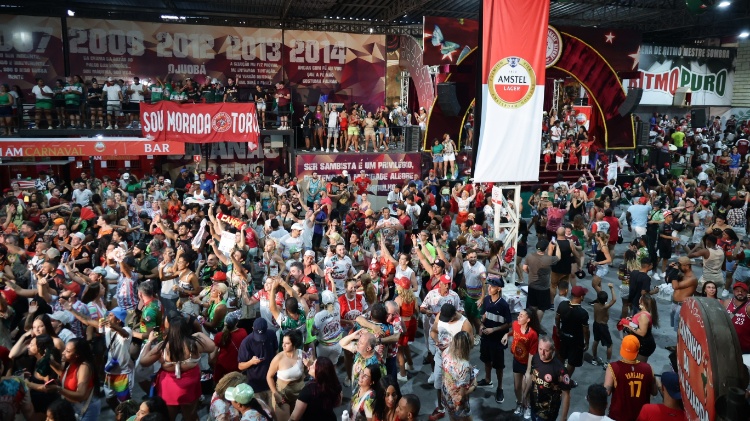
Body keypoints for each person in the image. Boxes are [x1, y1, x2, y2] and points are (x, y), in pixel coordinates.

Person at [139, 314, 216, 421]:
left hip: (170, 388)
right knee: (191, 416)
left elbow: (143, 361)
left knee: (169, 417)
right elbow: (212, 347)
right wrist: (198, 333)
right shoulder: (195, 343)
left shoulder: (162, 347)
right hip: (190, 386)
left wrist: (149, 342)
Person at [428, 303, 473, 421]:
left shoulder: (465, 324)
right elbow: (433, 331)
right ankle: (441, 407)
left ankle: (457, 410)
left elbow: (470, 344)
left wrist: (454, 347)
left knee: (460, 400)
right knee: (440, 384)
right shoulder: (441, 315)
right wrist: (437, 341)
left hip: (457, 364)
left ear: (453, 316)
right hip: (442, 358)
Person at [44, 338, 100, 421]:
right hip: (74, 406)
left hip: (86, 409)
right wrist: (50, 362)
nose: (63, 353)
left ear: (77, 355)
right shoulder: (71, 363)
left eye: (68, 351)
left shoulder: (84, 367)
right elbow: (64, 375)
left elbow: (80, 395)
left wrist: (58, 388)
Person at [603, 335, 656, 421]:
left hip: (619, 416)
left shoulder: (613, 367)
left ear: (621, 348)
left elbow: (606, 392)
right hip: (640, 416)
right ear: (638, 351)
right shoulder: (648, 368)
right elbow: (654, 392)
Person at [501, 308, 541, 418]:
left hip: (527, 364)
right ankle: (519, 404)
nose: (518, 317)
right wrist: (507, 335)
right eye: (519, 315)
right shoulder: (515, 324)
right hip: (516, 360)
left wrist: (528, 371)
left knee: (526, 389)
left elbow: (532, 354)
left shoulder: (533, 335)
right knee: (517, 387)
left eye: (521, 316)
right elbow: (513, 331)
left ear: (528, 320)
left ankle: (527, 406)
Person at [476, 276, 511, 404]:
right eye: (489, 286)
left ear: (499, 288)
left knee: (499, 366)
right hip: (486, 338)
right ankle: (487, 379)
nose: (489, 288)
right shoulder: (486, 300)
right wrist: (481, 325)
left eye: (492, 286)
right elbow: (483, 316)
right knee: (486, 360)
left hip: (497, 340)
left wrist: (494, 330)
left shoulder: (503, 305)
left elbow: (509, 324)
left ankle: (500, 387)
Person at [266, 330, 309, 421]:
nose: (283, 346)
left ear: (294, 345)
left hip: (298, 393)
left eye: (287, 343)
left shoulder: (302, 354)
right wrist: (275, 393)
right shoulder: (278, 358)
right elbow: (269, 376)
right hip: (282, 394)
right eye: (283, 342)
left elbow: (308, 371)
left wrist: (309, 364)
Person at [528, 336, 571, 421]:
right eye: (540, 349)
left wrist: (564, 417)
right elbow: (532, 377)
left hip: (548, 413)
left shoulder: (560, 370)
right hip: (533, 406)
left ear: (553, 350)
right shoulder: (535, 358)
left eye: (546, 350)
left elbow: (566, 394)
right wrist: (525, 395)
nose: (542, 353)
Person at [238, 318, 278, 405]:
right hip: (255, 386)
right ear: (252, 328)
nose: (261, 339)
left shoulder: (272, 335)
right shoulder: (246, 343)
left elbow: (276, 352)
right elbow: (240, 366)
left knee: (273, 411)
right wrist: (251, 362)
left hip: (271, 383)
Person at [290, 357, 342, 421]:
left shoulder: (307, 391)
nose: (310, 366)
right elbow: (338, 403)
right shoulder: (335, 384)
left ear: (319, 373)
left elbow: (294, 418)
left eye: (313, 366)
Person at [556, 285, 590, 383]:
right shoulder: (583, 313)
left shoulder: (562, 304)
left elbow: (557, 318)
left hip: (563, 335)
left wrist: (558, 329)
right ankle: (566, 380)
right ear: (581, 297)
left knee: (562, 356)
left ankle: (558, 375)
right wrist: (586, 342)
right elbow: (586, 330)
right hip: (576, 340)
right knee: (572, 361)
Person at [440, 331, 476, 421]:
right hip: (457, 400)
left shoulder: (446, 352)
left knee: (452, 416)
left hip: (446, 393)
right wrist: (475, 384)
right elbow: (462, 393)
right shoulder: (464, 366)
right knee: (467, 417)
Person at [524, 239, 561, 322]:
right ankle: (537, 324)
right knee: (542, 308)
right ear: (546, 249)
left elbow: (524, 268)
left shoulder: (530, 256)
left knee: (533, 306)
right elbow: (559, 257)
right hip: (543, 288)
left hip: (531, 285)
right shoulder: (548, 259)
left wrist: (530, 273)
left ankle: (531, 322)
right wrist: (557, 246)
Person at [623, 295, 658, 362]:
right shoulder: (643, 312)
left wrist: (629, 325)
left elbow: (642, 332)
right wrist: (631, 321)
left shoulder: (644, 316)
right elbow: (638, 325)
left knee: (639, 367)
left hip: (644, 345)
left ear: (642, 301)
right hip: (640, 342)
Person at [669, 257, 697, 332]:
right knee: (676, 328)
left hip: (682, 305)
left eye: (680, 264)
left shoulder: (692, 278)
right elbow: (668, 279)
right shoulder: (682, 274)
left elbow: (675, 286)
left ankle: (679, 343)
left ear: (687, 266)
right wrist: (670, 269)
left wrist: (674, 272)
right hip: (675, 303)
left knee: (680, 329)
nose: (678, 266)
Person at [591, 284, 616, 367]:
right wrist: (611, 288)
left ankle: (594, 358)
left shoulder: (595, 305)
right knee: (609, 344)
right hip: (603, 326)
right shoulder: (605, 307)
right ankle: (607, 363)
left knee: (596, 341)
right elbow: (614, 299)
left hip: (596, 324)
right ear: (606, 300)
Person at [725, 281, 750, 354]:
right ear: (733, 292)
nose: (740, 293)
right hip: (728, 344)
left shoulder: (748, 307)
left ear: (747, 293)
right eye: (737, 291)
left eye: (743, 291)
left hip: (744, 348)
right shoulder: (727, 302)